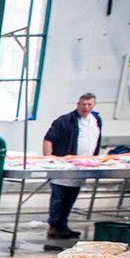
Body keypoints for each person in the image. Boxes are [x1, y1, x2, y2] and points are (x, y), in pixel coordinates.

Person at [43, 93, 102, 240]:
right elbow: (48, 139)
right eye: (83, 104)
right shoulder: (65, 121)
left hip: (82, 167)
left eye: (89, 104)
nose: (85, 107)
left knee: (71, 197)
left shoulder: (96, 120)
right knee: (59, 197)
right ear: (78, 104)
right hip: (63, 167)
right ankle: (55, 226)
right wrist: (49, 160)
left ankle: (63, 224)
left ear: (94, 105)